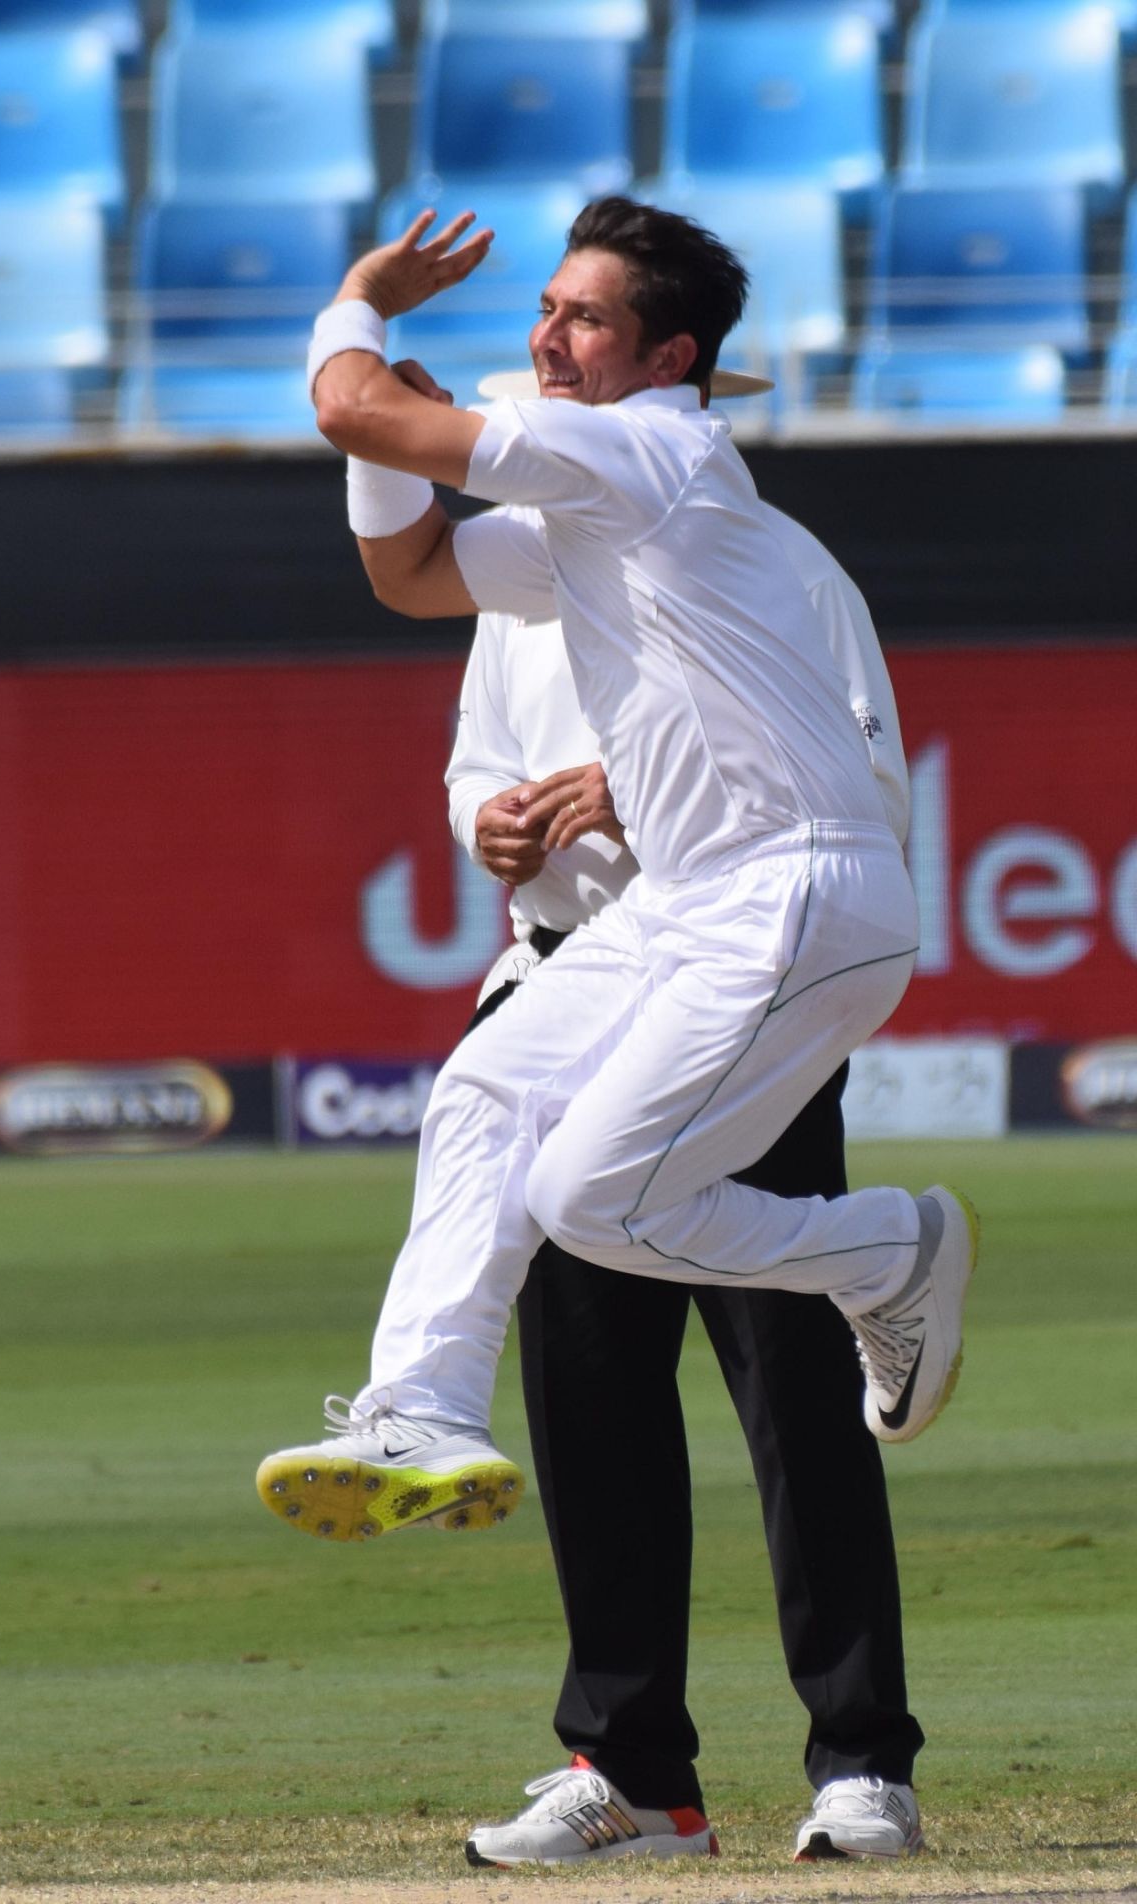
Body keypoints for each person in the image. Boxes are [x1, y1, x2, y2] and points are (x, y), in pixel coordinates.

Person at [257, 199, 976, 1622]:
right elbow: (408, 572)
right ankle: (422, 1410)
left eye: (583, 318)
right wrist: (398, 416)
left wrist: (361, 303)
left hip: (794, 894)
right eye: (549, 310)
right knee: (483, 1097)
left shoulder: (649, 452)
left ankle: (892, 1249)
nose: (547, 338)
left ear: (671, 359)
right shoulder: (605, 520)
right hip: (690, 906)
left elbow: (352, 411)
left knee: (592, 1202)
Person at [445, 494, 924, 1866]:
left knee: (793, 1386)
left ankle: (861, 1764)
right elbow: (477, 762)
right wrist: (492, 823)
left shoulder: (778, 565)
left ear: (676, 388)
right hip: (565, 999)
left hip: (733, 1000)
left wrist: (647, 794)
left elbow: (868, 791)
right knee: (590, 1400)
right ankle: (636, 1777)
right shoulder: (519, 576)